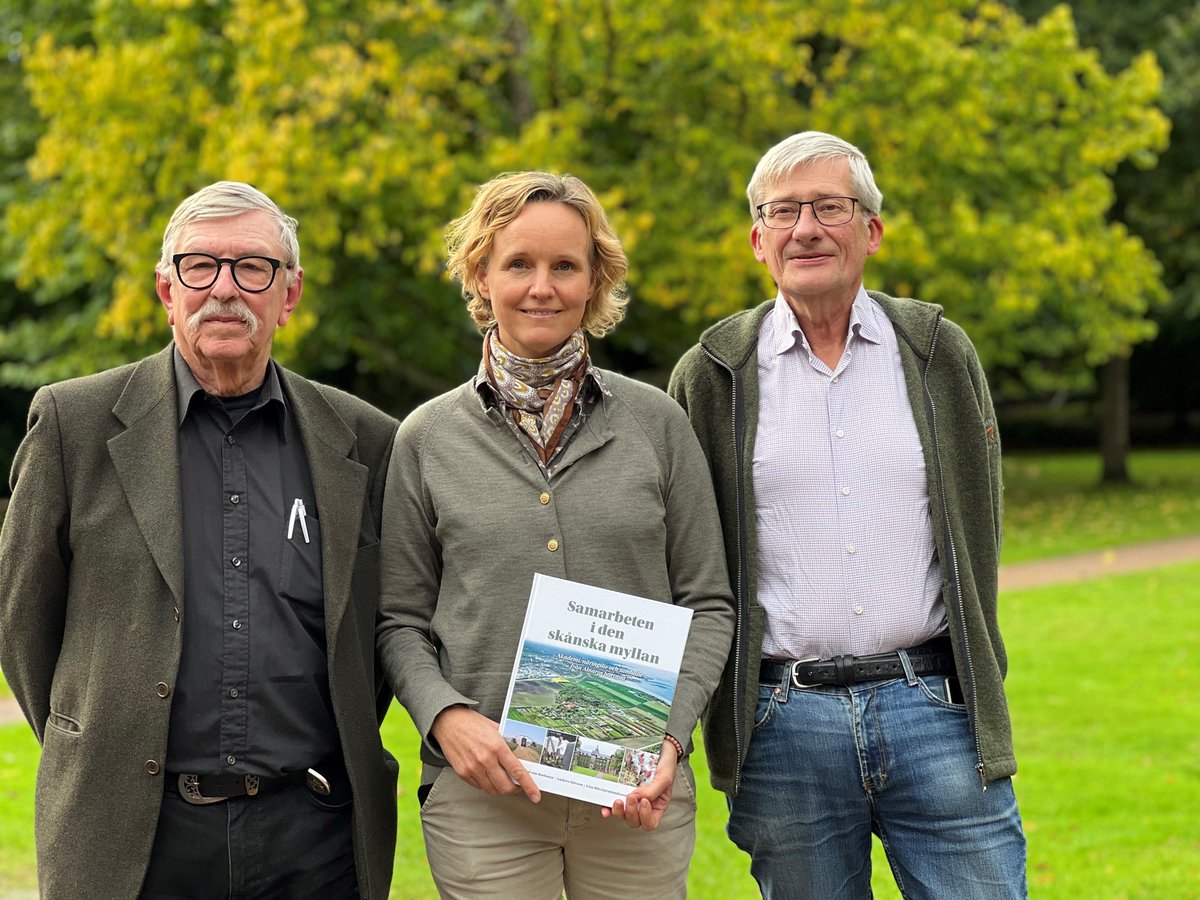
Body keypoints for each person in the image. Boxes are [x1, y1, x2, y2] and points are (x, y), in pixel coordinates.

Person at [0, 181, 400, 898]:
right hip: (133, 839)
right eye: (200, 266)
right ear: (166, 288)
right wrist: (96, 735)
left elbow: (377, 636)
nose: (224, 289)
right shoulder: (72, 425)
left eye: (252, 268)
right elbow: (22, 619)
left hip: (316, 839)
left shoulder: (366, 441)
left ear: (289, 293)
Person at [669, 132, 1028, 898]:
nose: (806, 228)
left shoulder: (938, 351)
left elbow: (980, 523)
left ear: (871, 230)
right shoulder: (711, 374)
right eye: (783, 211)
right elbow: (681, 554)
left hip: (936, 706)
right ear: (758, 241)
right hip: (782, 724)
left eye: (830, 207)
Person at [377, 171, 734, 898]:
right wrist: (445, 718)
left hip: (635, 792)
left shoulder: (659, 425)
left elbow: (708, 602)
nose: (542, 287)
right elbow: (398, 621)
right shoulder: (426, 439)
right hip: (484, 800)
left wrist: (668, 740)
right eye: (519, 264)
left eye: (565, 266)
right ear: (481, 274)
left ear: (594, 280)